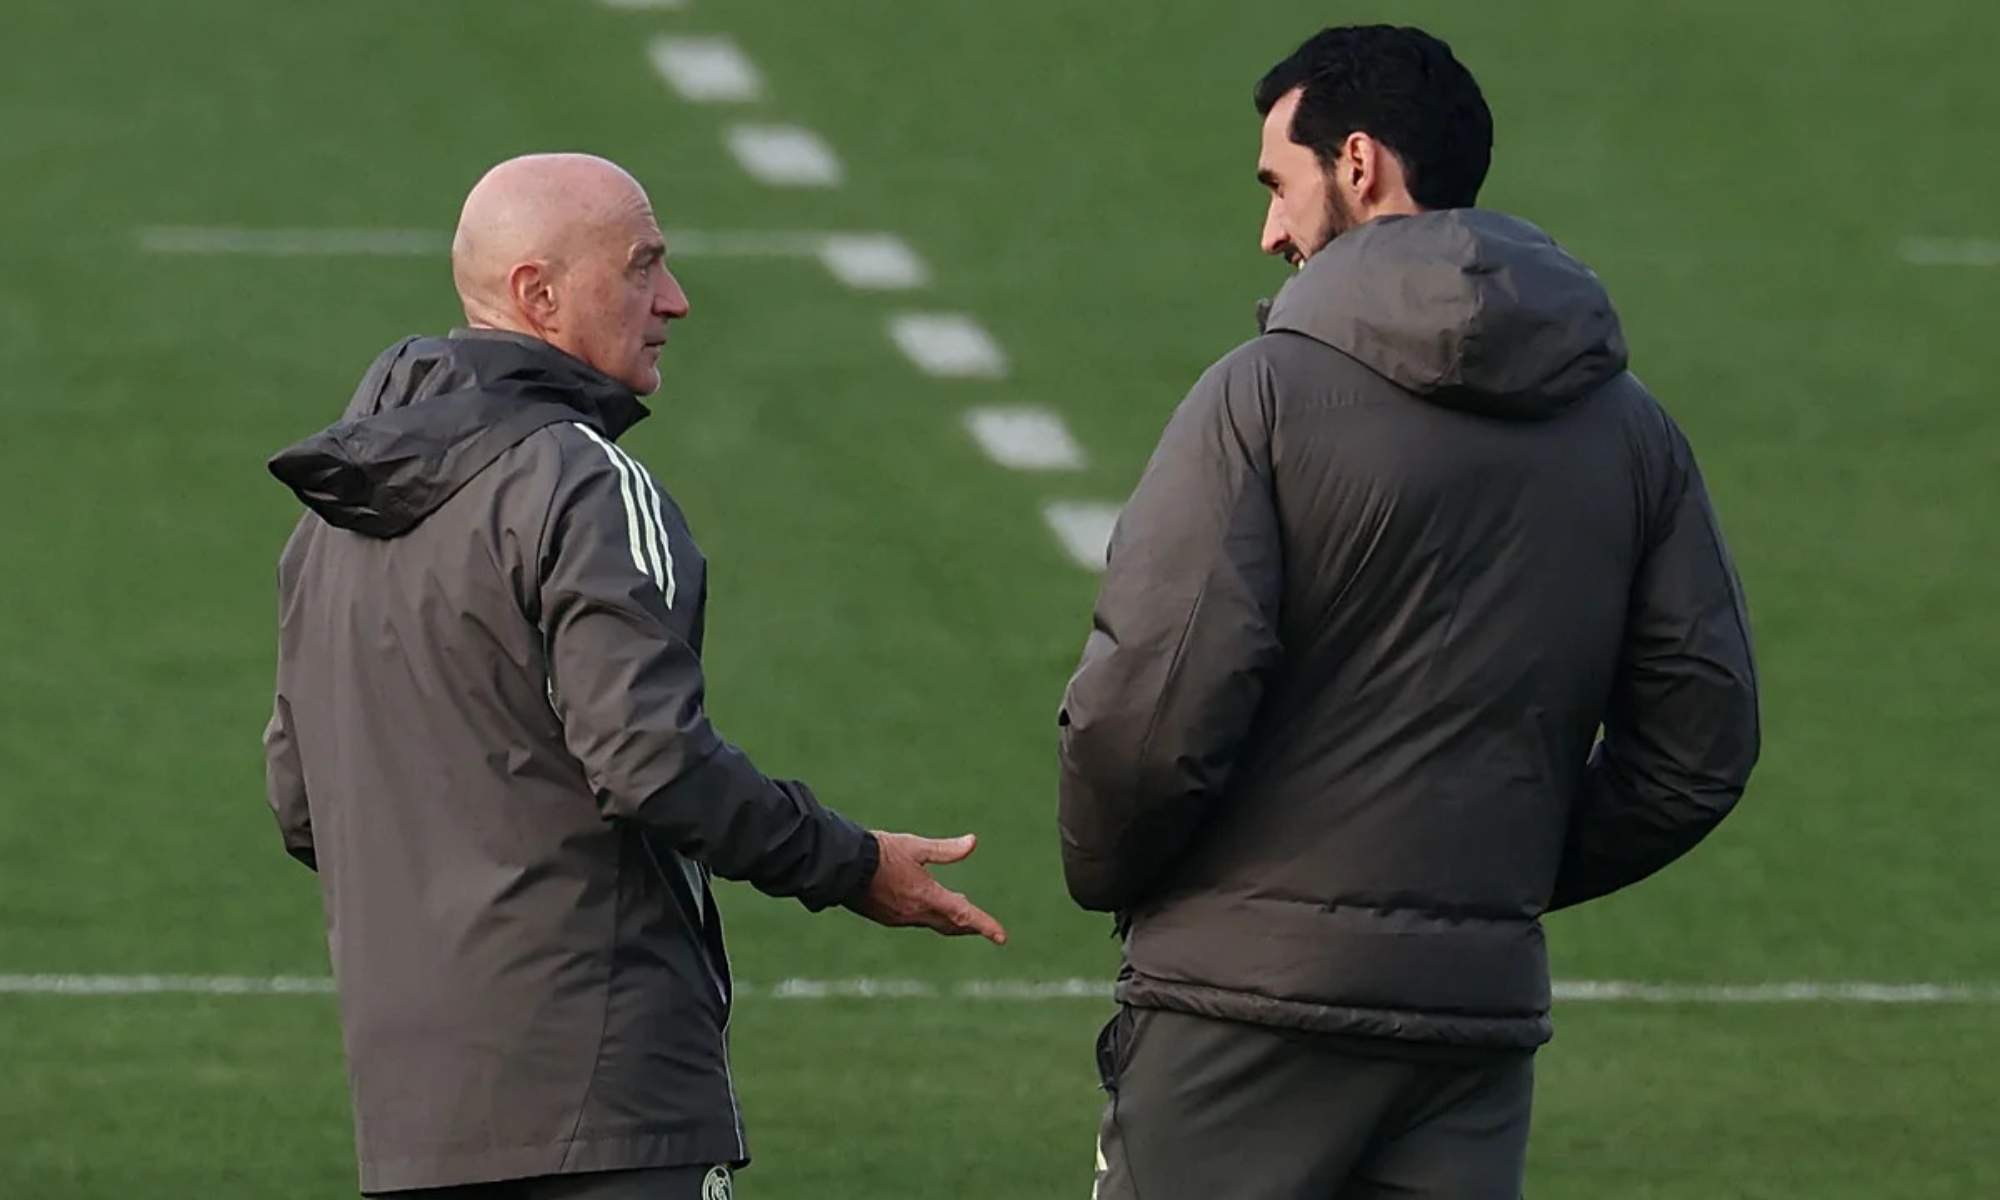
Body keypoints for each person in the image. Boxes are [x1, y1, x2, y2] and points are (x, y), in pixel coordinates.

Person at [1057, 25, 1759, 1200]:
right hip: (1466, 1034)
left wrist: (1115, 874)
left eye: (1278, 184)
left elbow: (1149, 711)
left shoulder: (1261, 395)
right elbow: (1699, 744)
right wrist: (1476, 882)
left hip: (1242, 1011)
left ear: (1360, 164)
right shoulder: (1632, 430)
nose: (1270, 231)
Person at [263, 152, 1006, 1200]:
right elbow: (651, 761)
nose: (675, 300)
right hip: (603, 1100)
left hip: (412, 1113)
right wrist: (852, 865)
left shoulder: (330, 525)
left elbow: (303, 805)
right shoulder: (578, 481)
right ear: (538, 292)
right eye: (642, 267)